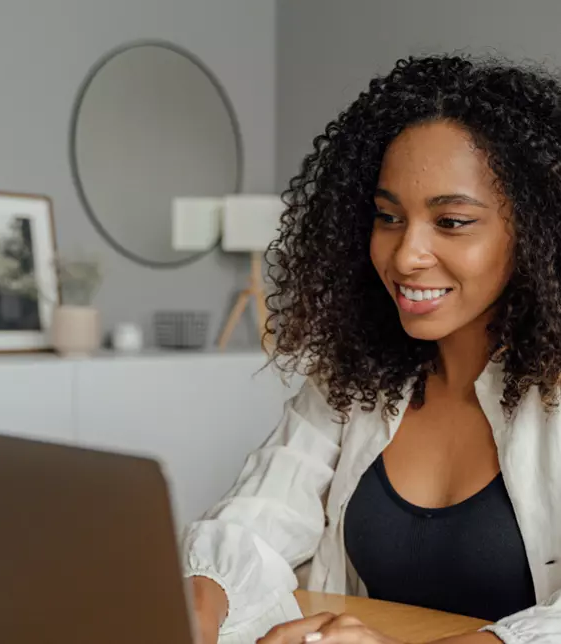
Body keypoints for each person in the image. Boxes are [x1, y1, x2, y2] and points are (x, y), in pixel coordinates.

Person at [182, 53, 561, 644]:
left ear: (538, 230)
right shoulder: (354, 376)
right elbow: (257, 519)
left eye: (452, 222)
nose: (406, 254)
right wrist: (193, 610)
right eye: (388, 217)